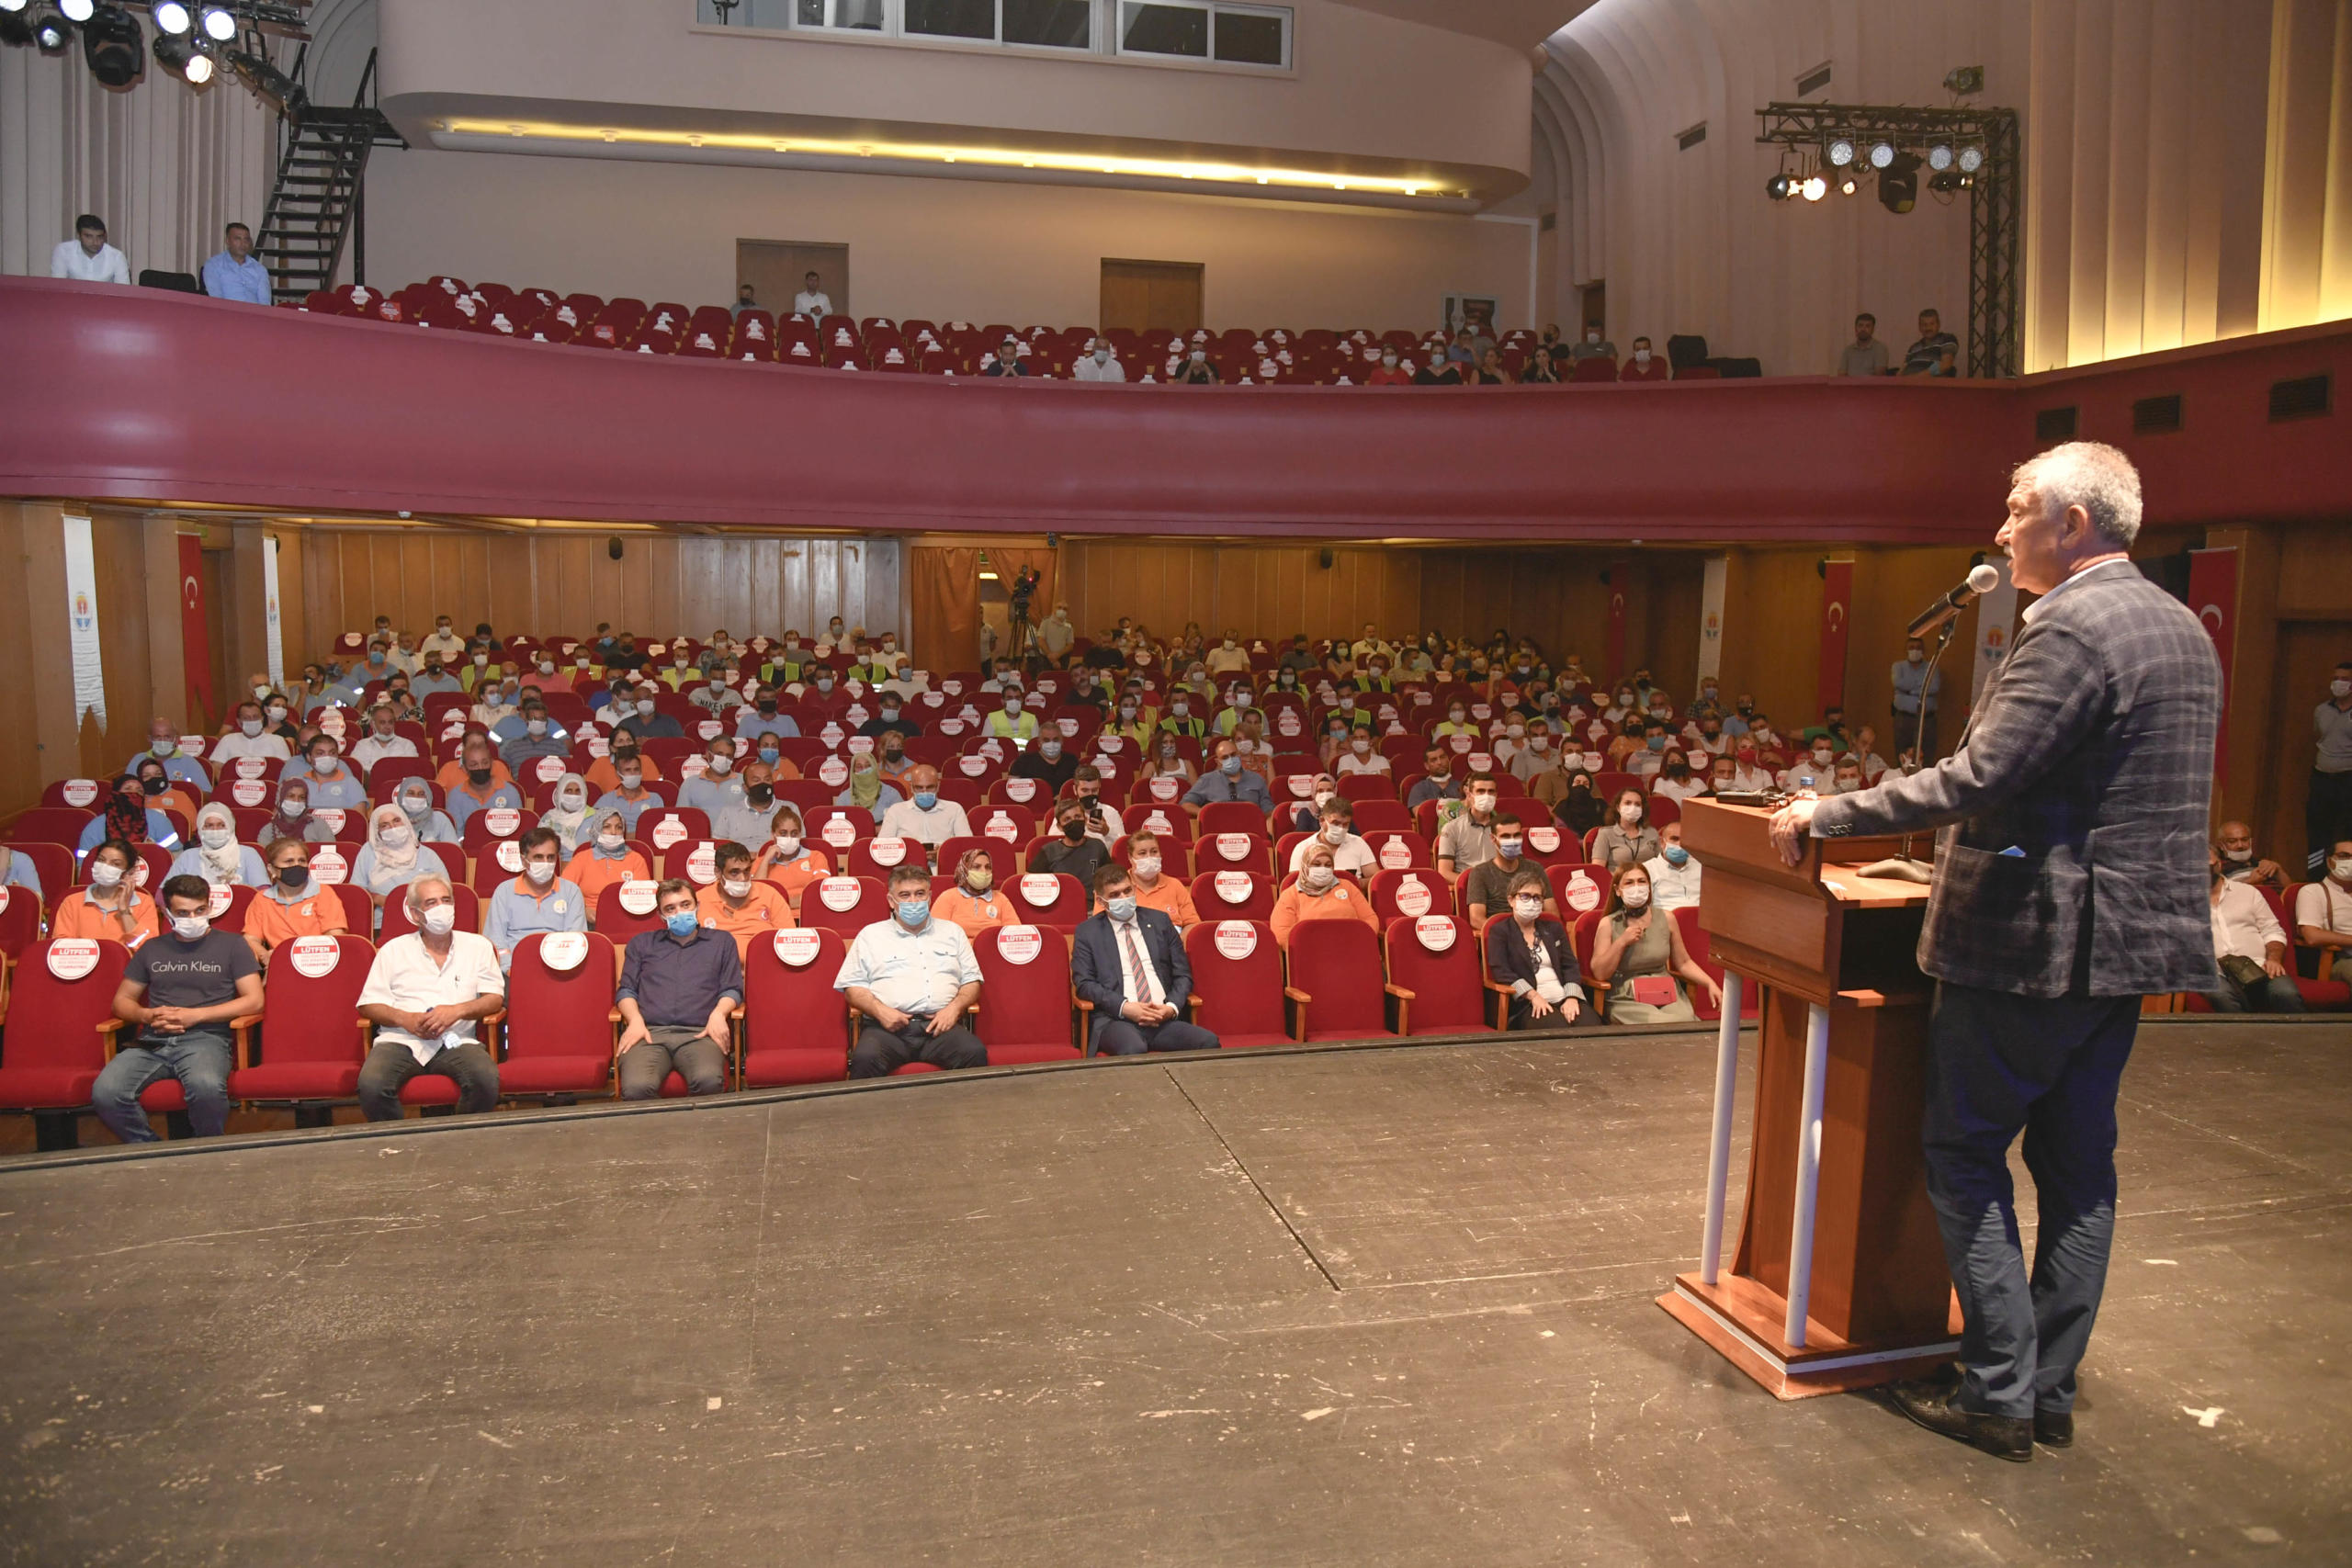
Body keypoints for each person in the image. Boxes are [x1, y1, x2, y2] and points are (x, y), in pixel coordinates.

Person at [1764, 440, 2222, 1462]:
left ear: (2072, 524)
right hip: (2124, 948)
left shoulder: (2071, 625)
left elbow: (1979, 777)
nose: (2002, 528)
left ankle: (1997, 1389)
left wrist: (1827, 812)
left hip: (2031, 944)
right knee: (2078, 1169)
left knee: (1963, 1153)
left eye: (2017, 509)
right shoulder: (2179, 625)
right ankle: (2046, 1389)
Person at [93, 875, 263, 1144]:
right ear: (168, 913)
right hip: (153, 1040)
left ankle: (206, 1150)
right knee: (106, 1092)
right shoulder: (152, 948)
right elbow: (122, 1001)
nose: (193, 918)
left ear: (210, 907)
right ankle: (152, 1150)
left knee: (206, 1088)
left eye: (200, 910)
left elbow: (254, 1000)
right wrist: (146, 1015)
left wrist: (196, 1016)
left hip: (206, 1038)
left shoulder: (233, 945)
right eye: (183, 913)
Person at [356, 876, 504, 1120]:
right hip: (401, 1039)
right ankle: (399, 1142)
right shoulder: (393, 949)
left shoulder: (478, 946)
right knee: (372, 1085)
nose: (441, 908)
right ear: (416, 914)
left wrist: (456, 1011)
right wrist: (405, 1019)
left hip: (455, 1039)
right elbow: (368, 1004)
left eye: (446, 900)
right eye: (431, 903)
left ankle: (461, 1138)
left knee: (485, 1079)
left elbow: (494, 999)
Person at [834, 864, 987, 1077]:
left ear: (930, 897)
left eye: (920, 894)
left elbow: (972, 981)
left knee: (974, 1052)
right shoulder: (870, 935)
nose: (914, 901)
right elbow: (852, 988)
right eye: (905, 895)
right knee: (865, 1058)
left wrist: (954, 1009)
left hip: (940, 1027)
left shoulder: (953, 932)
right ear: (891, 901)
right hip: (887, 1030)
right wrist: (880, 1011)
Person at [615, 879, 742, 1100]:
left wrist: (719, 1014)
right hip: (649, 1033)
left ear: (697, 906)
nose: (680, 912)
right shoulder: (642, 944)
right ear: (661, 915)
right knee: (636, 1088)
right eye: (670, 909)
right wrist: (634, 1020)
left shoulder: (722, 942)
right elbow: (626, 991)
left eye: (685, 905)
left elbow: (732, 989)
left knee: (708, 1081)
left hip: (701, 1033)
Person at [1073, 863, 1220, 1055]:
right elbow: (1084, 984)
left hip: (1162, 1017)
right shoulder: (1088, 932)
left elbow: (1183, 975)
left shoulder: (1160, 921)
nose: (1124, 898)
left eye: (1127, 891)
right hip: (1117, 1020)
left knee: (1208, 1042)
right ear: (1101, 900)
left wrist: (1171, 1008)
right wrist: (1125, 1007)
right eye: (1115, 895)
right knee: (1134, 1048)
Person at [1484, 867, 1589, 1031]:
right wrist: (1533, 996)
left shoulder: (1554, 928)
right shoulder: (1500, 931)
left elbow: (1570, 965)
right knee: (1558, 1028)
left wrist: (1572, 997)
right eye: (1525, 896)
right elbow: (1501, 972)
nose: (1532, 902)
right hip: (1527, 1004)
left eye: (1537, 897)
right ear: (1511, 900)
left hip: (1564, 997)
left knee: (1591, 1025)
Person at [2202, 847, 2304, 1012]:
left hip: (2258, 966)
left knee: (2286, 993)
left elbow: (2272, 931)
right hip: (2214, 972)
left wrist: (2274, 959)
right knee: (2220, 995)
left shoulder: (2248, 893)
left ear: (2218, 865)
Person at [480, 827, 586, 971]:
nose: (545, 863)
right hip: (513, 968)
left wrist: (558, 968)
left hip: (559, 967)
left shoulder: (571, 891)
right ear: (523, 861)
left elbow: (576, 939)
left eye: (551, 857)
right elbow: (496, 940)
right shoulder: (504, 891)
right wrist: (512, 970)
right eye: (538, 857)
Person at [244, 837, 348, 961]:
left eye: (302, 861)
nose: (296, 865)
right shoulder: (262, 898)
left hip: (317, 960)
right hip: (278, 962)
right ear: (271, 869)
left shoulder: (323, 893)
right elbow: (250, 939)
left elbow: (335, 936)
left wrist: (296, 956)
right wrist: (265, 956)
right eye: (289, 861)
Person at [695, 840, 797, 958]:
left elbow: (790, 941)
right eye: (734, 872)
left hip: (764, 965)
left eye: (747, 871)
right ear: (718, 872)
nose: (743, 878)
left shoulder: (770, 895)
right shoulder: (699, 900)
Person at [52, 838, 159, 950]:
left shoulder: (144, 902)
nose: (105, 866)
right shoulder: (72, 902)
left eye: (115, 864)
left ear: (129, 871)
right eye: (101, 860)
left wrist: (125, 912)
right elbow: (61, 948)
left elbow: (147, 949)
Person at [1270, 840, 1379, 945]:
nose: (1323, 869)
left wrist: (1358, 940)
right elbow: (1281, 933)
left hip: (1351, 947)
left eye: (1328, 865)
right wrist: (1318, 946)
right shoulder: (1290, 894)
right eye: (1316, 864)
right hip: (1311, 952)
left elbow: (1370, 918)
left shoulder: (1347, 886)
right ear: (1305, 866)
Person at [1463, 814, 1552, 926]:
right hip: (1499, 932)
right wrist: (1509, 933)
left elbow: (1552, 912)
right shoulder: (1480, 873)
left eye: (1517, 835)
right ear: (1493, 839)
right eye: (1505, 836)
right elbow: (1476, 919)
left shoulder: (1535, 868)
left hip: (1534, 931)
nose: (1512, 841)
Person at [2311, 661, 2352, 876]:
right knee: (2317, 830)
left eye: (2345, 679)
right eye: (2336, 678)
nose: (2338, 683)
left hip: (2348, 780)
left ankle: (2347, 875)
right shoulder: (2322, 710)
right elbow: (2320, 735)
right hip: (2321, 778)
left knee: (2347, 831)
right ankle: (2315, 875)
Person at [170, 803, 268, 890]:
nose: (215, 830)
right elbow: (165, 892)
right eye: (209, 825)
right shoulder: (187, 856)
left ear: (231, 827)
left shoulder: (249, 854)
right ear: (200, 829)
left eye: (221, 825)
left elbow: (263, 891)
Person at [351, 801, 430, 909]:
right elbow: (357, 891)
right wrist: (377, 899)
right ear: (377, 832)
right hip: (381, 916)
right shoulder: (368, 851)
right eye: (384, 825)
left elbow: (445, 889)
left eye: (396, 821)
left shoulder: (426, 854)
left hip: (423, 915)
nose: (393, 827)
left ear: (406, 822)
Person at [78, 774, 181, 856]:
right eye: (128, 789)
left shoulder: (159, 820)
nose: (134, 794)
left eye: (139, 791)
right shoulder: (95, 826)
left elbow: (176, 855)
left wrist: (154, 851)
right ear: (115, 794)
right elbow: (84, 866)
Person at [2293, 840, 2352, 983]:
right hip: (2343, 959)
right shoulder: (2313, 891)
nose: (2350, 861)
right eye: (2344, 856)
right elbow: (2312, 936)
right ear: (2329, 861)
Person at [751, 806, 830, 910]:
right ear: (773, 835)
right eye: (783, 833)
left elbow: (818, 893)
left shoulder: (816, 857)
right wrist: (766, 860)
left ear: (800, 835)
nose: (789, 838)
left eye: (794, 833)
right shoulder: (760, 862)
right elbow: (755, 895)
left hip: (806, 914)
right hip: (771, 916)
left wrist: (778, 903)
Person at [873, 765, 967, 852]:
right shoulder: (895, 811)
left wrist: (942, 852)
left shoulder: (955, 809)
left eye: (930, 787)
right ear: (911, 787)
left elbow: (966, 846)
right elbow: (882, 848)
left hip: (944, 860)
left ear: (938, 786)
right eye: (919, 787)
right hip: (908, 862)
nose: (924, 792)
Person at [447, 736, 525, 830]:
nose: (481, 768)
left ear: (492, 764)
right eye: (474, 764)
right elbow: (456, 834)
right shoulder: (455, 796)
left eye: (485, 763)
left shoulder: (510, 792)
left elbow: (518, 830)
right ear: (465, 769)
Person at [1120, 830, 1198, 927]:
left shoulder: (1175, 885)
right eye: (1142, 853)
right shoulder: (1117, 887)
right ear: (1130, 857)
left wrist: (1178, 937)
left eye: (1154, 852)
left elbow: (1192, 924)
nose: (1149, 857)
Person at [933, 847, 1013, 939]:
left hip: (993, 947)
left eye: (988, 867)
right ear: (964, 870)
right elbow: (937, 937)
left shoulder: (1001, 898)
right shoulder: (947, 897)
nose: (984, 872)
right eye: (976, 867)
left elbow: (1015, 935)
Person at [1031, 801, 1110, 885]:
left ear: (1085, 820)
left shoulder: (1097, 846)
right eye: (1067, 819)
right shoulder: (1049, 850)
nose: (1074, 821)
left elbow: (1110, 878)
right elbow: (1030, 882)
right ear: (1059, 827)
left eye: (1078, 816)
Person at [1892, 637, 1944, 759]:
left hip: (1927, 720)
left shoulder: (1932, 667)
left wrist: (1910, 691)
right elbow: (1898, 683)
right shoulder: (1898, 666)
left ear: (1923, 650)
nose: (1915, 650)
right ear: (1906, 650)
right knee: (1902, 755)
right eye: (1911, 647)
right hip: (1904, 719)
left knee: (1927, 756)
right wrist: (1922, 687)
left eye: (1918, 648)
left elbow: (1934, 687)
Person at [289, 735, 368, 811]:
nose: (327, 757)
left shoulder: (351, 783)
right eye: (320, 753)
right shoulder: (297, 783)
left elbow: (359, 817)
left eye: (332, 753)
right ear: (309, 757)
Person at [1589, 788, 1659, 871]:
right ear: (1618, 807)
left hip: (1649, 877)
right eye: (1628, 803)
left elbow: (1661, 864)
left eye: (1637, 804)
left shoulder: (1652, 832)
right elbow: (1598, 869)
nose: (1633, 807)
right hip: (1617, 878)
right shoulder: (1605, 834)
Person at [51, 213, 129, 285]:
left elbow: (123, 291)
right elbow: (57, 286)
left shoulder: (116, 257)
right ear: (79, 235)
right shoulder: (64, 251)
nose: (95, 242)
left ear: (105, 236)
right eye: (89, 237)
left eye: (100, 237)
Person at [2213, 820, 2288, 892]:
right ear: (2221, 845)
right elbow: (2217, 895)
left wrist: (2278, 869)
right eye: (2232, 841)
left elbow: (2290, 893)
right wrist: (2250, 881)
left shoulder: (2260, 863)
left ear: (2251, 841)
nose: (2240, 845)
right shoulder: (2218, 866)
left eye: (2244, 840)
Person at [1644, 821, 1702, 912]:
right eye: (1674, 839)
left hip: (1701, 918)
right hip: (1665, 918)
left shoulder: (1701, 867)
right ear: (1662, 842)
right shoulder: (1647, 869)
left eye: (1684, 840)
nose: (1679, 844)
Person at [539, 773, 596, 856]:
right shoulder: (548, 818)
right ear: (560, 794)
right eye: (569, 791)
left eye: (578, 791)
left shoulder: (596, 818)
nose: (573, 795)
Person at [1901, 307, 1960, 377]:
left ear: (1938, 325)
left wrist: (1915, 378)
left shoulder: (1947, 339)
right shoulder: (1914, 347)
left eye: (1932, 324)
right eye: (1924, 325)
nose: (1928, 328)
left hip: (1930, 382)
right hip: (1907, 382)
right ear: (1919, 327)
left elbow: (1945, 365)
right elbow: (1902, 370)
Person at [1407, 746, 1462, 811]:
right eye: (1434, 760)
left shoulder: (1461, 787)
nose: (1439, 762)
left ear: (1447, 759)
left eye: (1442, 757)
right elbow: (1419, 814)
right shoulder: (1419, 788)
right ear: (1427, 766)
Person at [1839, 312, 1893, 377]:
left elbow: (1879, 376)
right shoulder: (1848, 350)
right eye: (1860, 325)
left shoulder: (1880, 348)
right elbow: (1841, 375)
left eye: (1867, 326)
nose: (1863, 329)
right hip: (1849, 383)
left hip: (1872, 383)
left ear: (1873, 329)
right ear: (1855, 328)